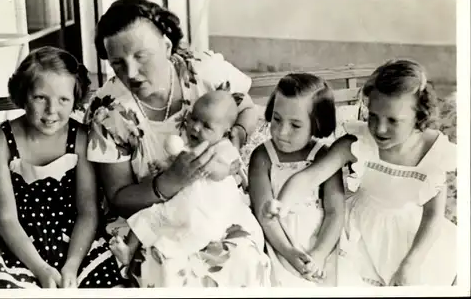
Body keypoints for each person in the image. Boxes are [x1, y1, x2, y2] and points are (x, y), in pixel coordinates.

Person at [84, 0, 270, 287]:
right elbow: (119, 197)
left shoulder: (203, 71)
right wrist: (171, 181)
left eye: (141, 56)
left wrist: (235, 138)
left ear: (167, 47)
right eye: (118, 63)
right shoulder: (108, 112)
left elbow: (246, 108)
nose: (130, 73)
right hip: (151, 219)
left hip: (213, 207)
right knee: (170, 270)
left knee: (242, 258)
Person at [271, 59, 457, 286]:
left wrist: (411, 263)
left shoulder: (435, 154)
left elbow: (433, 216)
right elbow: (310, 176)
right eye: (373, 116)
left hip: (410, 235)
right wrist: (281, 203)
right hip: (358, 230)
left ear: (420, 117)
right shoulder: (358, 142)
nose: (379, 128)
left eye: (393, 121)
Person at [0, 46, 125, 288]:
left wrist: (72, 264)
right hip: (21, 248)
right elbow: (6, 218)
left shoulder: (80, 137)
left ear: (76, 99)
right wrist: (40, 268)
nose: (51, 110)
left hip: (77, 243)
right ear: (22, 95)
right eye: (40, 97)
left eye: (63, 100)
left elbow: (88, 211)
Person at [109, 91, 265, 287]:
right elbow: (175, 164)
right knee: (148, 216)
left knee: (194, 228)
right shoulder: (186, 142)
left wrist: (209, 166)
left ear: (225, 133)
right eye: (193, 119)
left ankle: (183, 255)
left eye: (206, 126)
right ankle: (128, 251)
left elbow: (225, 170)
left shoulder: (223, 147)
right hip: (181, 197)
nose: (196, 127)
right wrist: (164, 167)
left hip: (208, 203)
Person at [248, 73, 345, 287]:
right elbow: (265, 215)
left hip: (321, 242)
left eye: (295, 125)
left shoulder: (324, 157)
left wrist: (319, 253)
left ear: (316, 124)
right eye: (276, 119)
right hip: (278, 243)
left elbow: (335, 212)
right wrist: (289, 253)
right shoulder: (262, 157)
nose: (282, 132)